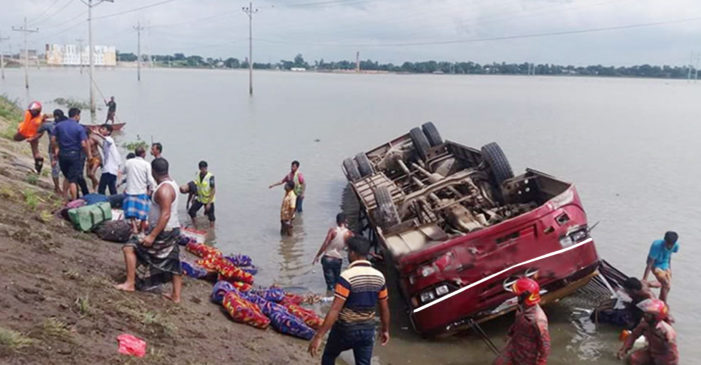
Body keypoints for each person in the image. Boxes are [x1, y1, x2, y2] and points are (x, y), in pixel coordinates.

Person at [308, 236, 390, 365]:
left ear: (352, 253)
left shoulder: (347, 276)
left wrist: (319, 336)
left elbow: (335, 309)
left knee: (329, 355)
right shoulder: (380, 277)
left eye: (348, 251)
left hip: (345, 328)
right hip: (368, 329)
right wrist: (385, 330)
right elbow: (384, 307)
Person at [115, 158, 183, 303]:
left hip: (164, 231)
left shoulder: (164, 189)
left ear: (153, 172)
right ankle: (176, 296)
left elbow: (165, 215)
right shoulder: (172, 184)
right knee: (173, 261)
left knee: (130, 247)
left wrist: (152, 236)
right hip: (172, 229)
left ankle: (130, 283)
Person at [493, 278, 550, 365]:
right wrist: (510, 333)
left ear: (525, 296)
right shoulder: (521, 306)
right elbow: (518, 322)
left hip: (527, 357)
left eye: (517, 295)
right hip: (514, 347)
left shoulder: (538, 321)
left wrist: (541, 362)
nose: (515, 297)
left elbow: (545, 345)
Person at [617, 298, 678, 364]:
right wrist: (624, 349)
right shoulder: (644, 324)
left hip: (665, 356)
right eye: (645, 313)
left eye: (649, 315)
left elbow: (672, 349)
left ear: (656, 317)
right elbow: (634, 335)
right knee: (634, 359)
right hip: (651, 351)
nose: (645, 315)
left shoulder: (666, 331)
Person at [52, 108, 92, 201]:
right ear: (77, 115)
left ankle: (65, 197)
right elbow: (83, 144)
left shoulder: (59, 125)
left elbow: (53, 139)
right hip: (74, 155)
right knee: (73, 180)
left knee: (67, 177)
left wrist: (56, 148)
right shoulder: (79, 128)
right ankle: (74, 201)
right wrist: (88, 155)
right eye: (79, 116)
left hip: (62, 155)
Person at [313, 213, 354, 291]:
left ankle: (329, 298)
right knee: (336, 282)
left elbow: (325, 243)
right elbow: (353, 246)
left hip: (328, 258)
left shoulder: (333, 231)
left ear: (337, 221)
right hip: (338, 260)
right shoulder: (349, 233)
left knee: (330, 284)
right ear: (345, 221)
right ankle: (336, 297)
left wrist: (317, 255)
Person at [122, 146, 155, 234]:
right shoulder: (146, 164)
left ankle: (135, 228)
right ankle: (142, 230)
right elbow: (150, 179)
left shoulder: (128, 162)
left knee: (131, 212)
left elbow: (122, 172)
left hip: (130, 191)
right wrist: (152, 189)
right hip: (141, 191)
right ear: (143, 154)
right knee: (144, 213)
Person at [36, 109, 67, 194]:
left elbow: (38, 129)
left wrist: (42, 120)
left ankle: (58, 188)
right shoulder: (52, 125)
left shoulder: (49, 125)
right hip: (60, 150)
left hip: (56, 150)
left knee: (56, 169)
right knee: (59, 169)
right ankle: (58, 188)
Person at [642, 231, 679, 303]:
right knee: (665, 283)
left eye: (671, 245)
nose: (669, 246)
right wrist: (644, 279)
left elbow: (669, 255)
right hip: (655, 264)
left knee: (667, 287)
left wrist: (669, 268)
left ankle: (660, 300)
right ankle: (664, 303)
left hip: (665, 264)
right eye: (668, 244)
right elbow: (649, 264)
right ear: (665, 240)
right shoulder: (656, 245)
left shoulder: (676, 246)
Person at [14, 101, 47, 173]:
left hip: (33, 135)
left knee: (35, 151)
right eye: (32, 111)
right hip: (24, 132)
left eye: (34, 111)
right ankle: (38, 165)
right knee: (14, 138)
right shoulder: (28, 113)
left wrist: (34, 138)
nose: (33, 112)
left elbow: (41, 132)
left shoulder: (41, 119)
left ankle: (38, 167)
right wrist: (20, 127)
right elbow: (25, 122)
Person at [95, 124, 122, 195]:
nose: (101, 130)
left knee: (102, 187)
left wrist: (98, 134)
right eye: (101, 128)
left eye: (103, 129)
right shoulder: (105, 141)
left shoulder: (109, 139)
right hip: (111, 168)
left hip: (109, 168)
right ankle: (115, 201)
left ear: (108, 132)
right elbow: (105, 149)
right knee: (111, 187)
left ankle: (102, 201)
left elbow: (107, 140)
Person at [188, 161, 215, 228]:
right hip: (200, 198)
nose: (203, 170)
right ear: (199, 168)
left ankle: (212, 230)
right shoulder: (198, 175)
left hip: (208, 199)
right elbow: (198, 186)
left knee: (211, 216)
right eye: (202, 169)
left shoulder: (210, 177)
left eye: (204, 168)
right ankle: (196, 226)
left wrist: (209, 203)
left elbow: (213, 190)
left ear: (206, 168)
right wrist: (193, 197)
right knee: (191, 211)